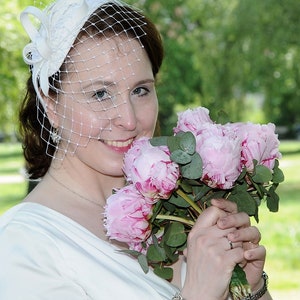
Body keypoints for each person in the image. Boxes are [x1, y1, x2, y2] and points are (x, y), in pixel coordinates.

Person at [0, 0, 272, 299]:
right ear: (50, 104)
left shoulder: (179, 208)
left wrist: (250, 287)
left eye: (140, 90)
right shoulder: (22, 247)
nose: (129, 120)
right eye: (101, 94)